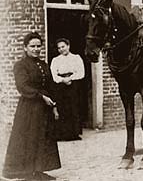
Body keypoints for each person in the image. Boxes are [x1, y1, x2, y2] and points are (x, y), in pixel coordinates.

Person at [2, 32, 61, 181]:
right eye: (32, 46)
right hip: (29, 108)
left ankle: (39, 170)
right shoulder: (20, 65)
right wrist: (41, 96)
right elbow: (22, 86)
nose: (36, 49)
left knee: (43, 138)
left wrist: (54, 105)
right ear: (25, 48)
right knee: (30, 138)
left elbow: (51, 86)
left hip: (45, 108)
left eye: (38, 46)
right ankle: (28, 172)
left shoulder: (44, 65)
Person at [50, 38, 85, 141]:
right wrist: (62, 80)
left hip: (73, 85)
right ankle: (62, 134)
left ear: (68, 46)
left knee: (74, 107)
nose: (61, 49)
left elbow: (81, 73)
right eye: (59, 48)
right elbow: (53, 75)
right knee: (62, 108)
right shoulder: (55, 60)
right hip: (60, 86)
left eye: (63, 46)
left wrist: (70, 78)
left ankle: (74, 133)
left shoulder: (76, 58)